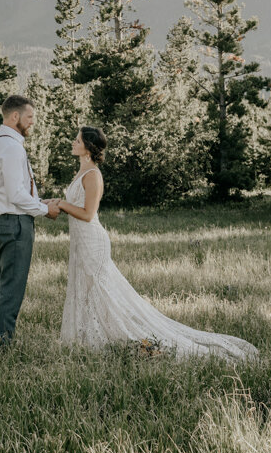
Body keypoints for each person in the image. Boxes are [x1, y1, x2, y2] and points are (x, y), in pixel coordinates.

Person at [47, 127, 258, 361]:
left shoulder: (93, 175)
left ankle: (126, 339)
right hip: (80, 243)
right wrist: (47, 204)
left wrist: (62, 204)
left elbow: (87, 214)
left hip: (92, 242)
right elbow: (70, 205)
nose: (73, 142)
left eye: (77, 140)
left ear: (88, 146)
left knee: (102, 292)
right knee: (84, 290)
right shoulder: (81, 172)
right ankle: (87, 339)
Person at [0, 94, 59, 345]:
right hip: (15, 223)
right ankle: (1, 344)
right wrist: (44, 210)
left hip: (7, 220)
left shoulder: (1, 142)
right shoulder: (11, 146)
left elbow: (14, 189)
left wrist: (40, 202)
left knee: (5, 285)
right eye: (29, 117)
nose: (32, 122)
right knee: (12, 288)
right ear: (15, 116)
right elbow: (16, 194)